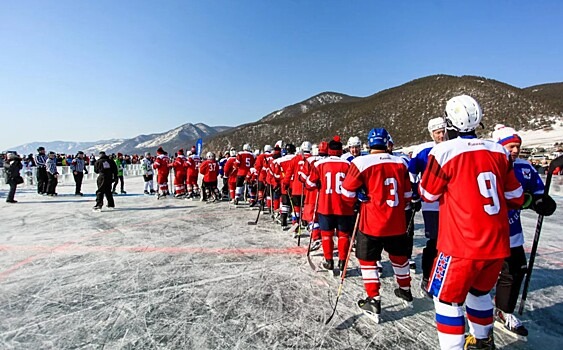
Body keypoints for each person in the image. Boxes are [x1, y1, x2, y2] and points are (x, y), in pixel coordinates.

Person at [419, 95, 525, 350]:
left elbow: (428, 193)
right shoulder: (499, 150)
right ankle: (483, 341)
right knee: (479, 294)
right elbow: (516, 196)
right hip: (497, 243)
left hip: (461, 244)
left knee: (446, 300)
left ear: (449, 122)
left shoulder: (443, 151)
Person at [341, 128, 413, 323]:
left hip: (371, 221)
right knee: (399, 257)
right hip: (397, 221)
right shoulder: (400, 162)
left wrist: (357, 196)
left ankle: (374, 298)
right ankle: (405, 290)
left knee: (368, 260)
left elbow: (346, 194)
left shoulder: (360, 162)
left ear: (369, 143)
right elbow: (407, 196)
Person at [491, 124, 556, 337]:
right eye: (510, 146)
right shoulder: (489, 165)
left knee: (515, 269)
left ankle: (504, 311)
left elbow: (537, 190)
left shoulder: (524, 167)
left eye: (517, 146)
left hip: (512, 231)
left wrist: (541, 201)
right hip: (487, 232)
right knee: (479, 273)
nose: (515, 150)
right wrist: (527, 201)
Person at [408, 116, 446, 296]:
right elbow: (412, 174)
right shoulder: (422, 150)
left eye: (443, 131)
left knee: (450, 242)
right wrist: (415, 195)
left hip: (452, 204)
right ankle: (427, 277)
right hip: (432, 203)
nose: (441, 135)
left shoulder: (453, 146)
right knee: (434, 241)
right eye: (438, 132)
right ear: (431, 133)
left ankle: (448, 275)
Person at [306, 136, 354, 272]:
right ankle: (343, 262)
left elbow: (309, 184)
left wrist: (317, 183)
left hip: (325, 205)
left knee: (326, 234)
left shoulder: (319, 164)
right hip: (344, 206)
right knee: (343, 235)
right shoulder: (348, 165)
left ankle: (329, 261)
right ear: (340, 151)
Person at [283, 141, 312, 235]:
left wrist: (286, 184)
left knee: (296, 209)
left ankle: (295, 227)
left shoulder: (295, 159)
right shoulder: (313, 159)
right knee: (307, 208)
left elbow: (288, 173)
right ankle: (309, 227)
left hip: (296, 188)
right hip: (308, 189)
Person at [272, 143, 296, 229]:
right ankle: (295, 223)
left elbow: (276, 174)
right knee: (295, 205)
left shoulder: (280, 161)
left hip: (284, 183)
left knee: (285, 204)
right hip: (295, 184)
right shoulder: (297, 159)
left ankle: (284, 221)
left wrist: (277, 182)